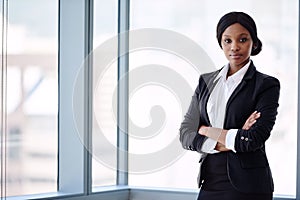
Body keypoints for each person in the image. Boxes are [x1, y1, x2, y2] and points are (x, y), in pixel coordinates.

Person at [179, 11, 280, 200]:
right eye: (227, 41)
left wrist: (205, 130)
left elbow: (254, 138)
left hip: (250, 186)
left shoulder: (266, 85)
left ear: (254, 42)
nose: (234, 47)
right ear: (221, 43)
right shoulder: (206, 82)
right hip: (210, 182)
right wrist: (234, 136)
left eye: (242, 40)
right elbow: (185, 133)